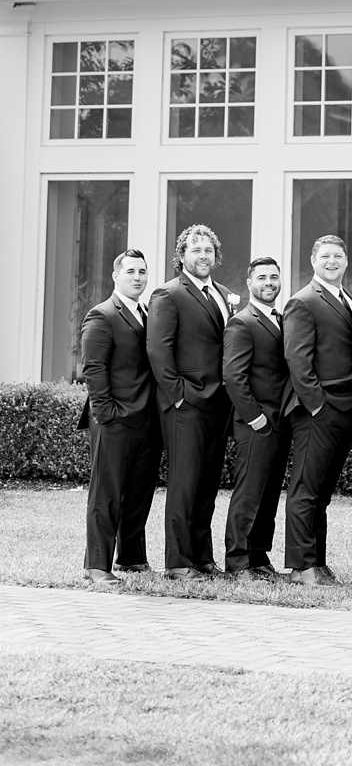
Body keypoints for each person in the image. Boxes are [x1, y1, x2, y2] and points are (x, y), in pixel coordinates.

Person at [146, 223, 234, 578]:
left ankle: (202, 557)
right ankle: (179, 562)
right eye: (195, 250)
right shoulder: (168, 294)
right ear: (181, 255)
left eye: (208, 250)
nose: (203, 256)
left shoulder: (223, 293)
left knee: (207, 485)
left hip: (218, 404)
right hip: (186, 404)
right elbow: (158, 350)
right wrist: (179, 396)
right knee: (184, 485)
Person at [282, 234, 352, 584]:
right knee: (305, 488)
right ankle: (301, 567)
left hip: (344, 408)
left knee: (322, 493)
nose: (333, 262)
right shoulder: (303, 301)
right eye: (325, 256)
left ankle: (317, 560)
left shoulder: (349, 300)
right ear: (313, 260)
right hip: (317, 409)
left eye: (339, 256)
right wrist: (317, 406)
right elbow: (297, 359)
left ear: (346, 261)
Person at [79, 249, 160, 590]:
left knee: (140, 493)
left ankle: (131, 557)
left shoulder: (148, 313)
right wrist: (106, 413)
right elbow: (93, 369)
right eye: (131, 271)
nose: (137, 277)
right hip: (114, 419)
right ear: (116, 276)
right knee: (107, 494)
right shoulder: (102, 315)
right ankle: (97, 567)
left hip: (147, 419)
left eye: (142, 272)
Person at [221, 256, 294, 581]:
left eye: (274, 277)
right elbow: (234, 377)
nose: (269, 283)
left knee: (268, 495)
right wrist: (255, 418)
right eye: (262, 278)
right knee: (249, 493)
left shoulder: (280, 318)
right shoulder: (242, 322)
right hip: (256, 424)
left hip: (280, 423)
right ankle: (238, 561)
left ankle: (258, 556)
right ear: (249, 283)